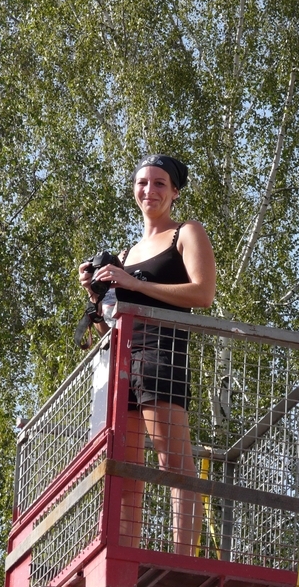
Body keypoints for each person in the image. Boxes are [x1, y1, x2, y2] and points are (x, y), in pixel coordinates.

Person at [78, 154, 216, 556]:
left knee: (174, 464)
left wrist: (132, 282)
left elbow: (203, 293)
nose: (149, 190)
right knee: (127, 473)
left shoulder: (185, 233)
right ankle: (123, 556)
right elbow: (110, 326)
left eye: (159, 183)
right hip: (122, 361)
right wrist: (96, 294)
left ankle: (182, 560)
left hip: (161, 356)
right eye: (142, 183)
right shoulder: (127, 253)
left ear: (175, 192)